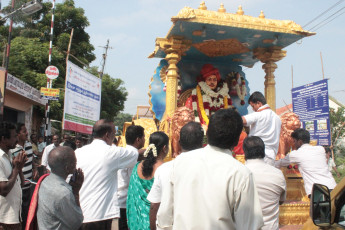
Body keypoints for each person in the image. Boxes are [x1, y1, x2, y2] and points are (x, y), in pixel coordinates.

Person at [157, 109, 263, 230]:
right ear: (237, 140)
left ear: (206, 134)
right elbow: (249, 225)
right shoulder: (241, 173)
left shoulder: (179, 163)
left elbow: (164, 218)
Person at [76, 119, 140, 230]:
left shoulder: (78, 152)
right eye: (114, 134)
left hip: (78, 213)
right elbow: (134, 154)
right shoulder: (111, 153)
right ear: (107, 135)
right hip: (99, 215)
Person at [148, 121, 204, 230]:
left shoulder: (164, 169)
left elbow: (154, 206)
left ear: (178, 142)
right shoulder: (210, 169)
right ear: (202, 142)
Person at [127, 131, 169, 230]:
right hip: (154, 224)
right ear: (164, 148)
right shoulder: (164, 169)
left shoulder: (137, 166)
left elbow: (131, 197)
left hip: (135, 223)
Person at [275, 128, 337, 196]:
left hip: (318, 191)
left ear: (300, 142)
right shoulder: (320, 149)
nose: (294, 144)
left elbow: (278, 163)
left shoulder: (296, 154)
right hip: (333, 187)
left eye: (294, 141)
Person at [244, 136, 286, 230]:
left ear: (244, 152)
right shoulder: (278, 174)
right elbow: (281, 200)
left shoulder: (239, 173)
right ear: (263, 151)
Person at [36, 146, 84, 230]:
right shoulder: (63, 193)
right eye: (75, 162)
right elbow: (77, 222)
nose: (76, 165)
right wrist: (76, 193)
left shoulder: (45, 181)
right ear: (67, 168)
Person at [185, 64, 232, 128]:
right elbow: (187, 113)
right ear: (204, 81)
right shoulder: (196, 95)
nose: (212, 82)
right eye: (209, 79)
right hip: (201, 127)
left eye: (214, 80)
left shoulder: (223, 96)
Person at [117, 125, 145, 230]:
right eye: (144, 137)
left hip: (122, 200)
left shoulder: (124, 153)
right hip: (126, 201)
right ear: (138, 139)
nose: (145, 140)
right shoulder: (131, 156)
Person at [0, 122, 27, 230]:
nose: (17, 139)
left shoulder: (10, 155)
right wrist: (16, 169)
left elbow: (22, 183)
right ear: (3, 139)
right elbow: (3, 190)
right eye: (14, 136)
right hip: (4, 221)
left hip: (14, 217)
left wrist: (19, 168)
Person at [242, 91, 281, 166]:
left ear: (259, 103)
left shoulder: (258, 115)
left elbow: (242, 120)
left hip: (257, 155)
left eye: (253, 106)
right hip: (271, 156)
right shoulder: (277, 118)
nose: (253, 109)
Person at [9, 124, 34, 230]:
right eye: (24, 131)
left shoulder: (29, 145)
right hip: (18, 186)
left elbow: (32, 160)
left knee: (26, 212)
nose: (27, 133)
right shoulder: (12, 150)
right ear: (18, 134)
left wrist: (35, 169)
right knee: (18, 213)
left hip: (28, 186)